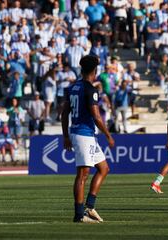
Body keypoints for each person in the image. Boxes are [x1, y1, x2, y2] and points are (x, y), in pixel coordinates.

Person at [61, 55, 115, 223]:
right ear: (95, 70)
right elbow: (97, 117)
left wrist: (65, 136)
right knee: (83, 175)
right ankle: (79, 215)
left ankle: (89, 207)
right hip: (84, 134)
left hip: (83, 133)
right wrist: (108, 135)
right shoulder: (90, 89)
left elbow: (64, 113)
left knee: (104, 168)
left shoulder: (73, 87)